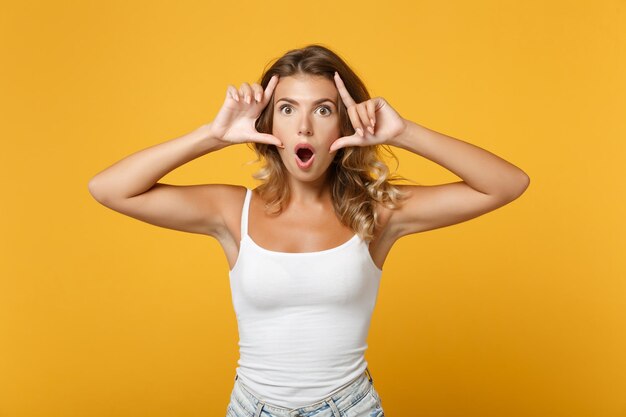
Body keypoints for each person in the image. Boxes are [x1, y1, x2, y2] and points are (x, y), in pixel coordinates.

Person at [88, 44, 530, 417]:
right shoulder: (231, 211)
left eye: (323, 109)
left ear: (345, 123)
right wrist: (211, 134)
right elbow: (109, 189)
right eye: (287, 109)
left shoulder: (375, 213)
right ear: (268, 125)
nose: (304, 126)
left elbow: (507, 185)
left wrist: (403, 132)